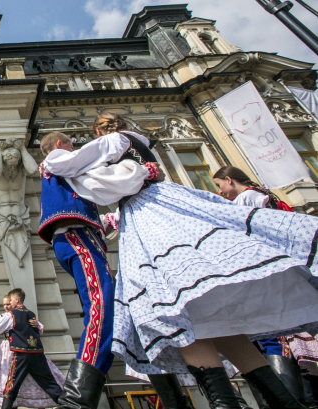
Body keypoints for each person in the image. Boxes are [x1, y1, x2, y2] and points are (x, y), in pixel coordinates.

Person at [43, 112, 318, 409]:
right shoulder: (137, 142)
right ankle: (284, 403)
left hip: (150, 215)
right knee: (211, 315)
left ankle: (226, 404)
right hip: (170, 205)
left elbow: (83, 175)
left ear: (99, 130)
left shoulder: (111, 141)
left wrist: (87, 174)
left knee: (168, 303)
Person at [37, 131, 165, 409]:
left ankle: (170, 392)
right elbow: (89, 156)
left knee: (121, 310)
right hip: (77, 238)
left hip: (82, 238)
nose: (75, 149)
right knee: (103, 308)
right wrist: (123, 141)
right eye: (72, 144)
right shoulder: (57, 159)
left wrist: (111, 218)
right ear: (61, 145)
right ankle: (75, 401)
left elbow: (91, 198)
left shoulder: (69, 175)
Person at [214, 165, 318, 408]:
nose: (221, 192)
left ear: (229, 180)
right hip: (286, 268)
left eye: (220, 186)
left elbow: (239, 233)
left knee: (271, 338)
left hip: (265, 270)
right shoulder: (267, 195)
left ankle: (282, 401)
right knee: (286, 339)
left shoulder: (245, 198)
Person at [0, 288, 63, 409]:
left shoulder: (11, 315)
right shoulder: (31, 314)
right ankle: (71, 405)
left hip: (21, 353)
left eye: (10, 301)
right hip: (37, 353)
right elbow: (39, 329)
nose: (9, 304)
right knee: (49, 383)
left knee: (12, 384)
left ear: (16, 300)